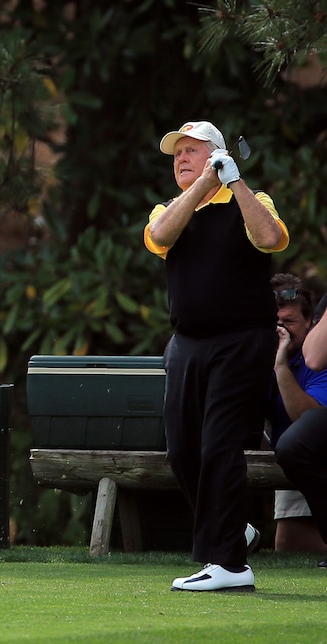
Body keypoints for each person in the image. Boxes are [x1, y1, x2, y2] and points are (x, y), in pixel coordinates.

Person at [145, 120, 289, 592]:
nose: (181, 159)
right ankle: (234, 530)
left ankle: (229, 564)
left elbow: (270, 239)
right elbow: (161, 236)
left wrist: (235, 183)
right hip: (187, 343)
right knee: (182, 449)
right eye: (176, 154)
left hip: (242, 339)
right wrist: (204, 184)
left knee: (219, 445)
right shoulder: (170, 209)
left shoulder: (251, 200)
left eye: (192, 150)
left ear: (218, 153)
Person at [263, 275, 327, 554]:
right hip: (279, 452)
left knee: (289, 545)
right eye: (274, 323)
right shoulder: (255, 350)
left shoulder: (319, 356)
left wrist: (280, 367)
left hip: (314, 456)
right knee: (287, 546)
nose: (281, 330)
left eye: (288, 322)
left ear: (309, 321)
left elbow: (309, 420)